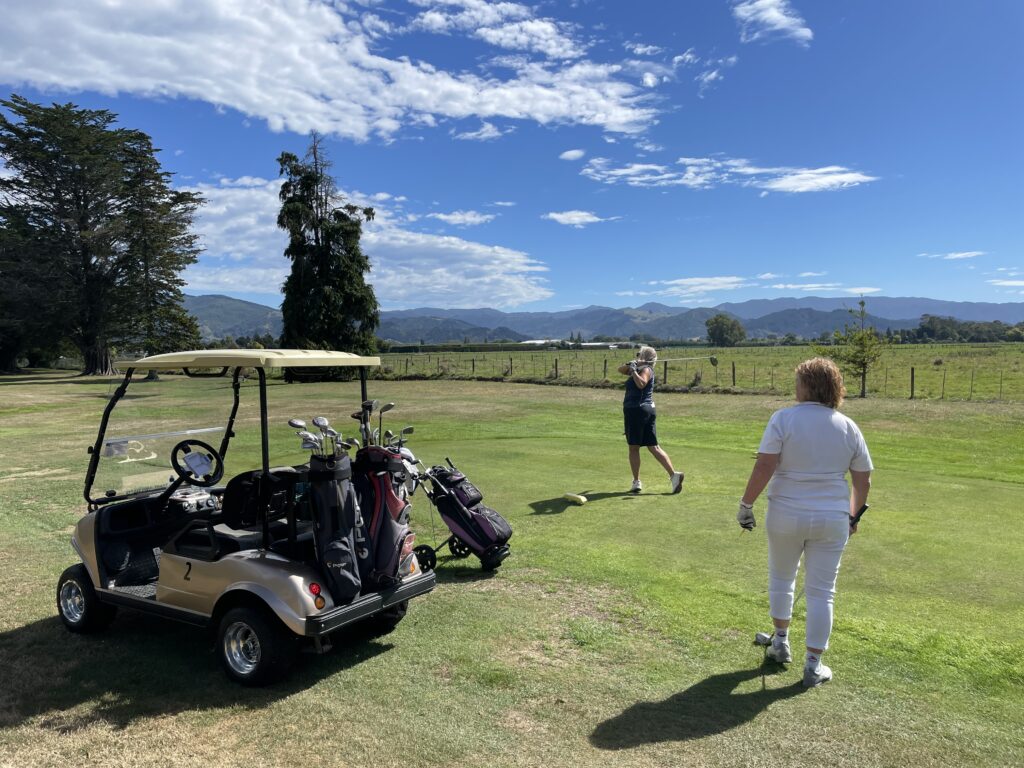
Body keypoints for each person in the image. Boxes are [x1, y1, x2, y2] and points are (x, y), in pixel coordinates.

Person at [737, 357, 872, 688]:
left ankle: (781, 643)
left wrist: (746, 504)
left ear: (809, 385)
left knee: (782, 579)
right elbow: (863, 479)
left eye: (798, 381)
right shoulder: (848, 426)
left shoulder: (783, 418)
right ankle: (813, 665)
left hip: (785, 514)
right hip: (831, 519)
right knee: (822, 592)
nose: (795, 387)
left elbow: (765, 465)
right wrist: (852, 515)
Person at [617, 346, 684, 495]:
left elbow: (641, 384)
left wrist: (634, 371)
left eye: (639, 354)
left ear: (644, 356)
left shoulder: (646, 370)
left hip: (637, 410)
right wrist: (631, 365)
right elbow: (620, 370)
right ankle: (674, 476)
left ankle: (636, 482)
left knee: (634, 447)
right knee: (653, 447)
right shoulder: (639, 368)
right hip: (645, 411)